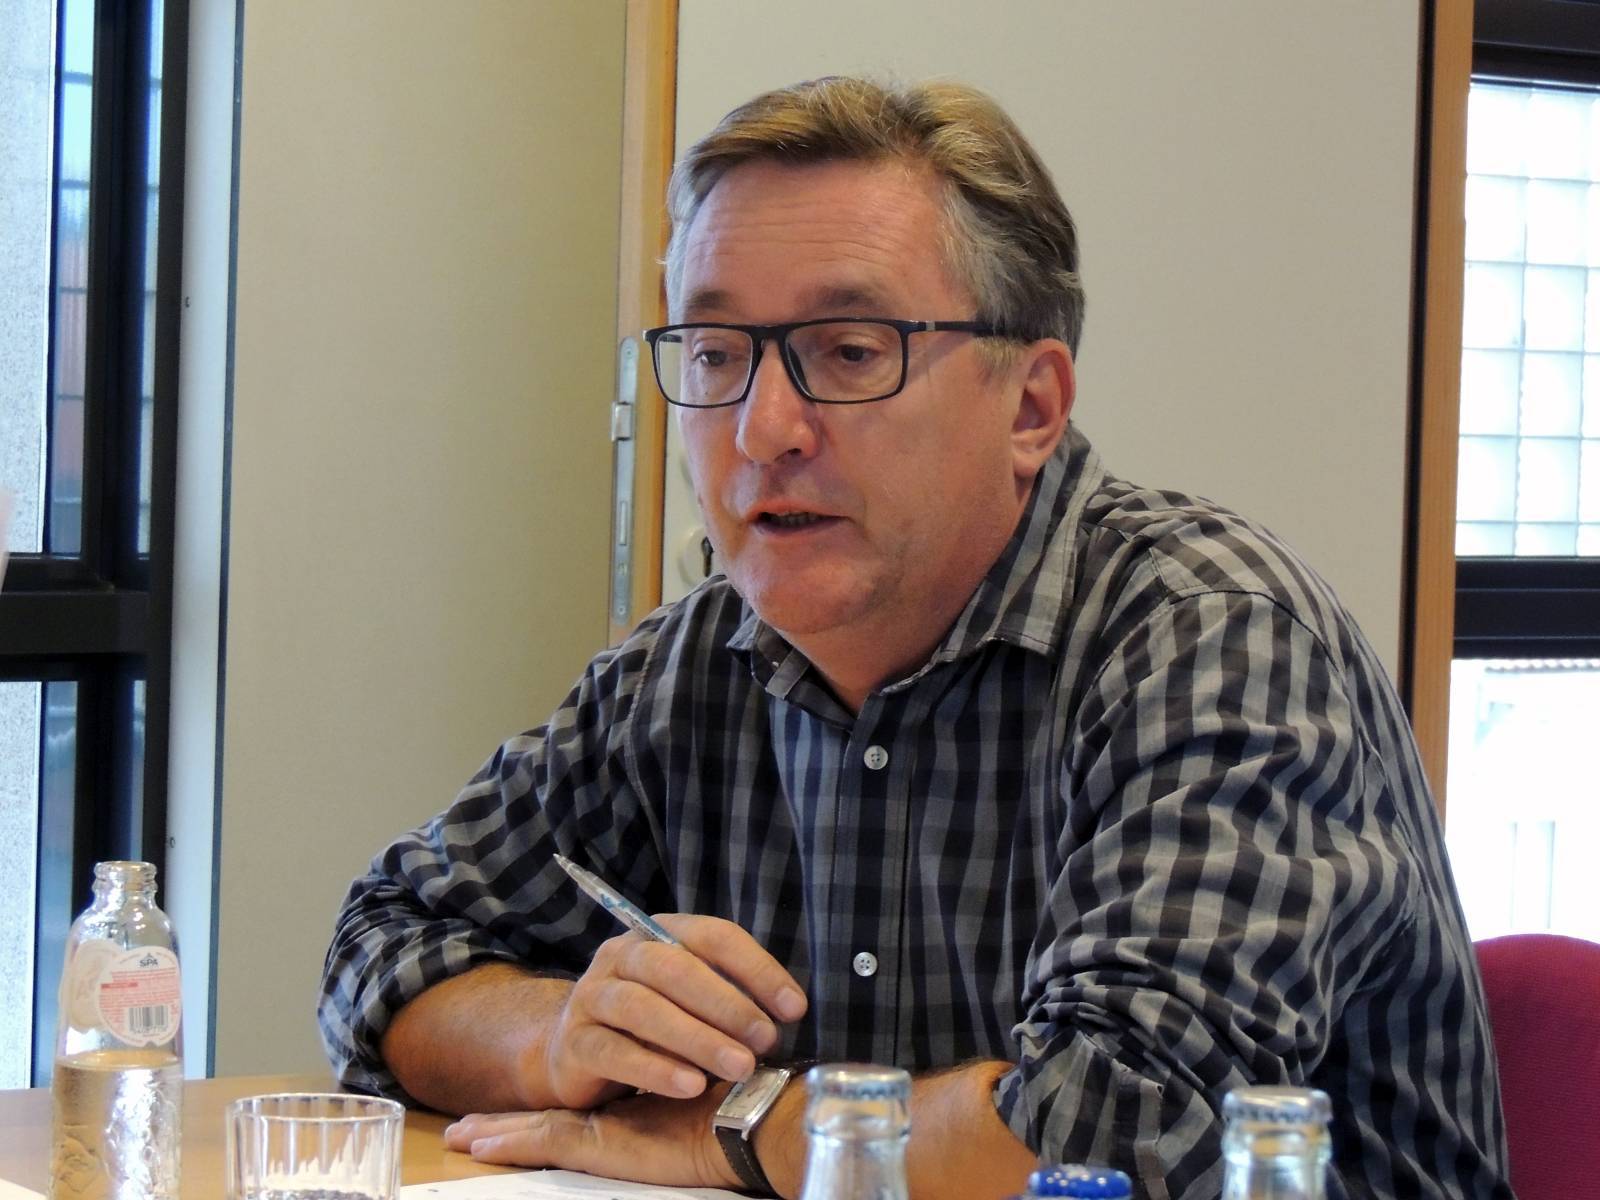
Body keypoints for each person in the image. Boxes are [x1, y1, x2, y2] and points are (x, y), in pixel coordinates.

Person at [318, 76, 1512, 1200]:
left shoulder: (1212, 641)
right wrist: (557, 1039)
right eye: (718, 354)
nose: (763, 430)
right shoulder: (686, 668)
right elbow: (383, 946)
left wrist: (730, 1124)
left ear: (1030, 406)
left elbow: (1124, 1123)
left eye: (849, 353)